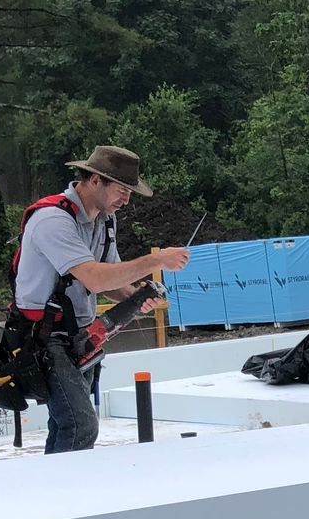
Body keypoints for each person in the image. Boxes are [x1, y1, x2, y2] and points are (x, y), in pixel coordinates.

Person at [11, 145, 189, 453]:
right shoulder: (52, 220)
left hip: (78, 336)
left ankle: (53, 479)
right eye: (122, 190)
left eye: (130, 192)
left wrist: (134, 296)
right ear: (95, 180)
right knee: (79, 425)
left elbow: (110, 279)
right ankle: (68, 483)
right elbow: (94, 278)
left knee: (64, 423)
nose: (126, 200)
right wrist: (156, 261)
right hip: (43, 337)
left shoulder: (105, 220)